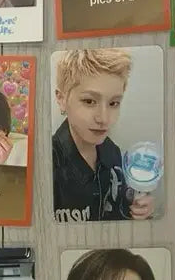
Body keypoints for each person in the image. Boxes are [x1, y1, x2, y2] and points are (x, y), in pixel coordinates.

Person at [52, 49, 154, 222]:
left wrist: (139, 207)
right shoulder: (47, 164)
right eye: (89, 101)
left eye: (113, 103)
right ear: (61, 99)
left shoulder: (113, 153)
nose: (104, 119)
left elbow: (119, 208)